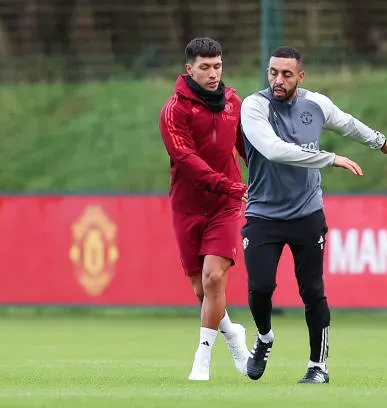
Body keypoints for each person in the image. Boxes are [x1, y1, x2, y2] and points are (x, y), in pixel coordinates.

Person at [239, 46, 387, 384]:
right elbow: (273, 150)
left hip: (307, 213)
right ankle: (264, 338)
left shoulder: (316, 104)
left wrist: (382, 144)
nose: (278, 79)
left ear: (300, 77)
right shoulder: (254, 106)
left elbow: (347, 124)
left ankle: (318, 366)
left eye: (286, 74)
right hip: (263, 214)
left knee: (312, 290)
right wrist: (329, 158)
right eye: (273, 72)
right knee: (260, 288)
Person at [159, 37, 250, 381]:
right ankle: (233, 334)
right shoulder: (174, 110)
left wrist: (262, 178)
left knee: (215, 278)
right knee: (203, 291)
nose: (214, 73)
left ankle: (203, 358)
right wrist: (231, 185)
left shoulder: (233, 103)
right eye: (205, 67)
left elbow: (247, 147)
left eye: (218, 66)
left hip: (225, 205)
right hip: (188, 206)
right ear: (189, 70)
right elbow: (186, 160)